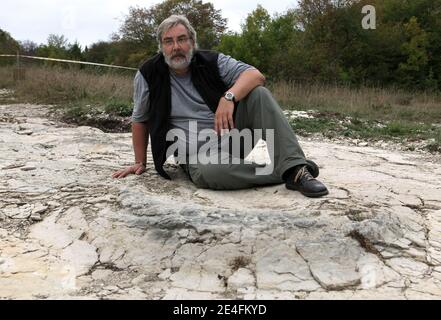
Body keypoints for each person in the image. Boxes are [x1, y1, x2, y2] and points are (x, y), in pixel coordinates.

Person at [112, 14, 328, 198]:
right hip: (196, 156)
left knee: (258, 94)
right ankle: (289, 171)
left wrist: (229, 97)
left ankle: (297, 169)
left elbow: (255, 75)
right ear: (161, 47)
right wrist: (140, 162)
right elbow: (140, 118)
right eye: (168, 41)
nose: (176, 47)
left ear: (192, 42)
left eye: (181, 39)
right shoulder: (147, 74)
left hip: (234, 138)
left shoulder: (212, 61)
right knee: (208, 173)